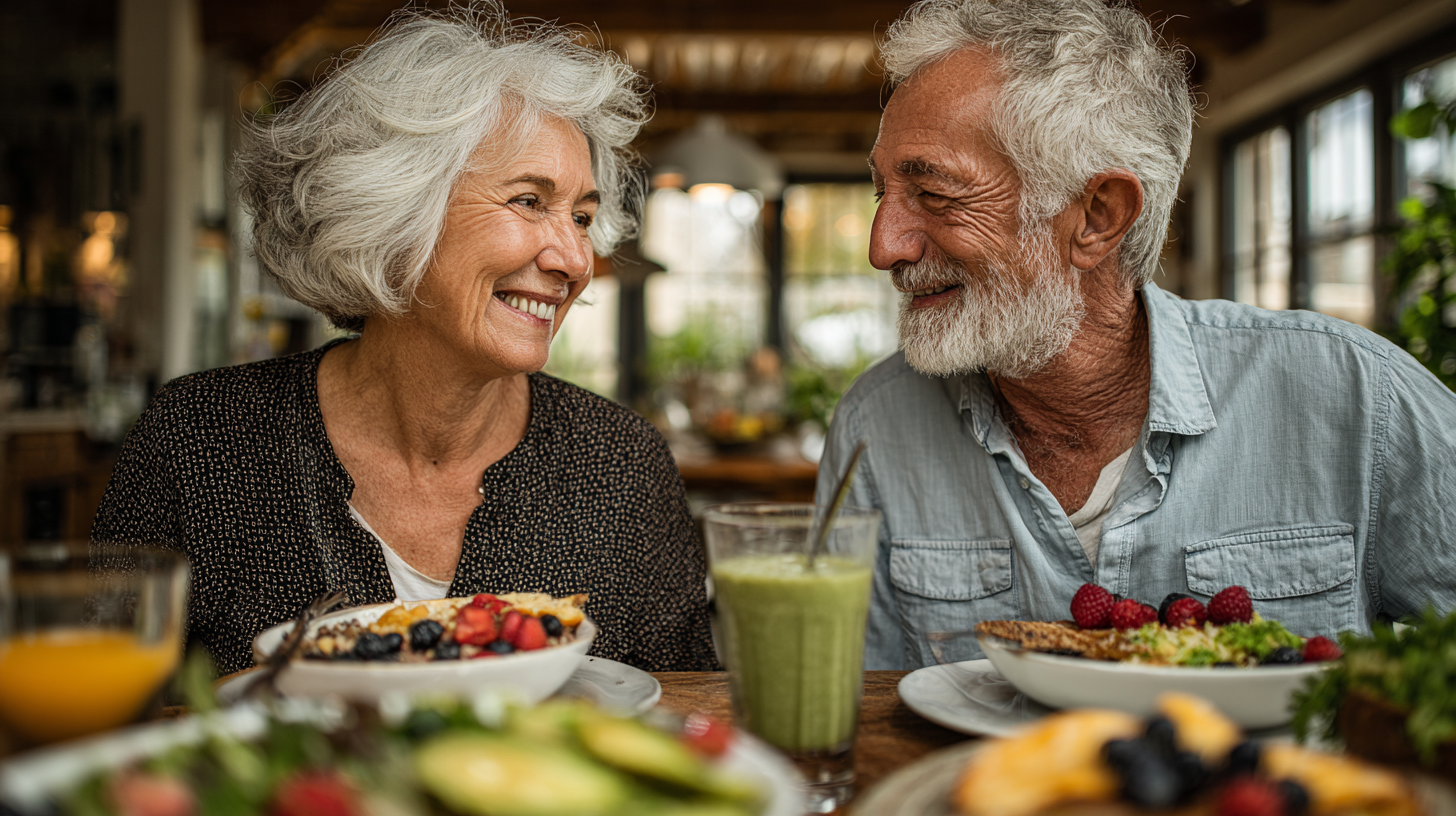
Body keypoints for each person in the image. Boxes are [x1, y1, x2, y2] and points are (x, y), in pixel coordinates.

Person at [817, 0, 1456, 670]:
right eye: (880, 194)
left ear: (1097, 217)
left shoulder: (1356, 394)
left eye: (936, 194)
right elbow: (858, 720)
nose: (883, 246)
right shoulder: (876, 424)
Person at [92, 5, 718, 675]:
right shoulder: (201, 440)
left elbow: (689, 717)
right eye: (529, 201)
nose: (575, 259)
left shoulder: (621, 469)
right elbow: (99, 710)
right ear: (393, 214)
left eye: (584, 216)